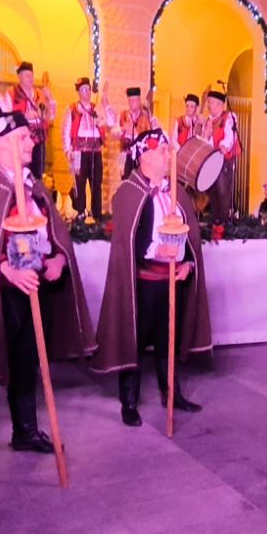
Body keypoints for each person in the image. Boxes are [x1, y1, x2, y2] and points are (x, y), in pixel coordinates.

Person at [0, 111, 94, 477]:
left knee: (27, 363)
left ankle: (25, 432)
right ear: (4, 142)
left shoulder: (34, 186)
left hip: (35, 289)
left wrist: (59, 258)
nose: (32, 143)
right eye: (25, 137)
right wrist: (7, 270)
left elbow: (53, 234)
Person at [91, 128, 212, 425]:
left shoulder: (177, 192)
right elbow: (129, 241)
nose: (169, 155)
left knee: (168, 339)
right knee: (135, 340)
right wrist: (158, 251)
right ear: (145, 156)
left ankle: (172, 393)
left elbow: (190, 238)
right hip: (144, 284)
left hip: (174, 280)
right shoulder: (128, 192)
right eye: (163, 150)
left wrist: (187, 264)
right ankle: (129, 401)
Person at [62, 77, 107, 220]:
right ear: (78, 92)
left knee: (96, 184)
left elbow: (106, 124)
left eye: (88, 89)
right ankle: (80, 214)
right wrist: (67, 150)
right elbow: (65, 131)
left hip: (95, 151)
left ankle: (96, 215)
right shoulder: (72, 109)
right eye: (83, 89)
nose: (86, 92)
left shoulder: (96, 108)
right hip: (78, 151)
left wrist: (100, 119)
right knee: (79, 184)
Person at [10, 61, 55, 178]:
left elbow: (50, 116)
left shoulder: (39, 93)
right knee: (21, 173)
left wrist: (50, 99)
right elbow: (6, 118)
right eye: (27, 75)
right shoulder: (12, 93)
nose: (30, 78)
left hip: (38, 140)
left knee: (37, 175)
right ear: (19, 76)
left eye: (31, 75)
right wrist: (24, 116)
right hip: (21, 140)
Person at [203, 86, 241, 219]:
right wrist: (205, 136)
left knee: (223, 192)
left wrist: (222, 147)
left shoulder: (228, 117)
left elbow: (230, 137)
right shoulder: (208, 121)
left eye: (211, 103)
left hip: (223, 160)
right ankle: (216, 222)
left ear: (219, 105)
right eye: (208, 102)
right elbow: (206, 142)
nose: (209, 106)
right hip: (211, 161)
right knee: (212, 193)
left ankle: (224, 223)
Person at [115, 86, 158, 173]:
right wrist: (122, 129)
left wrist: (135, 132)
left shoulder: (148, 116)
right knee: (126, 178)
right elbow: (114, 132)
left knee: (141, 178)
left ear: (139, 100)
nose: (132, 103)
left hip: (142, 156)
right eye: (130, 100)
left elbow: (156, 134)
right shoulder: (122, 115)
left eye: (134, 100)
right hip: (126, 155)